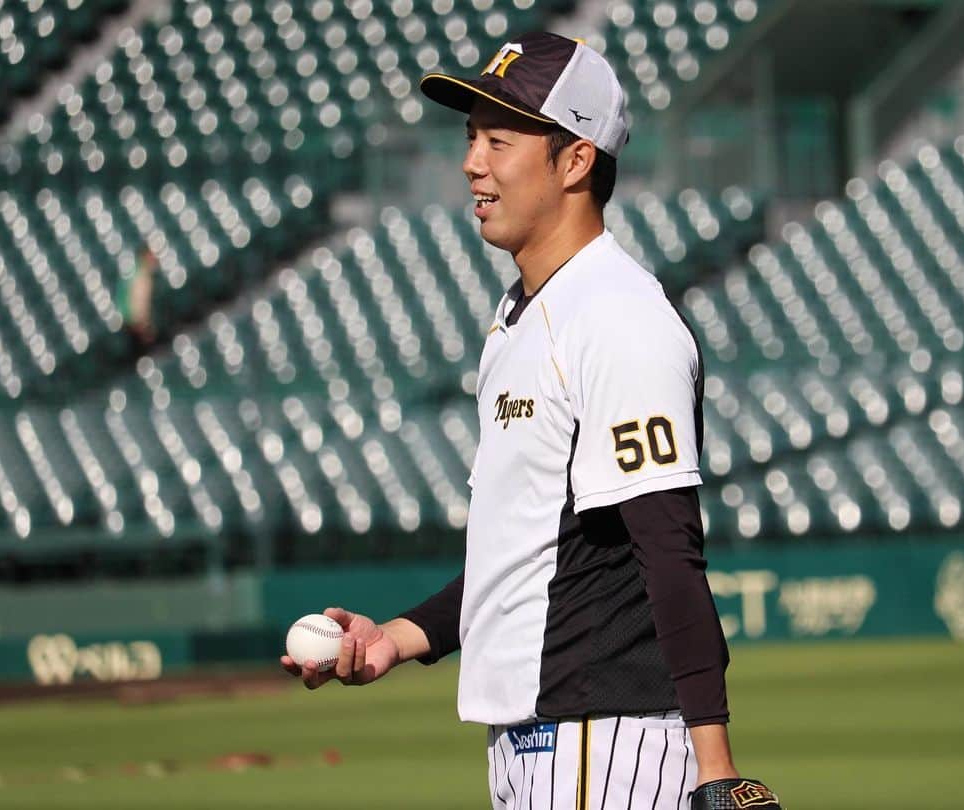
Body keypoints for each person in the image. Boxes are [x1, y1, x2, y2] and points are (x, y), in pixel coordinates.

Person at [282, 31, 781, 810]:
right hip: (535, 744)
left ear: (576, 159)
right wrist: (400, 638)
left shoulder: (618, 318)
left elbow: (669, 550)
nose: (472, 161)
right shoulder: (522, 316)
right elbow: (525, 550)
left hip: (602, 740)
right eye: (471, 136)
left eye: (500, 139)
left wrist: (717, 771)